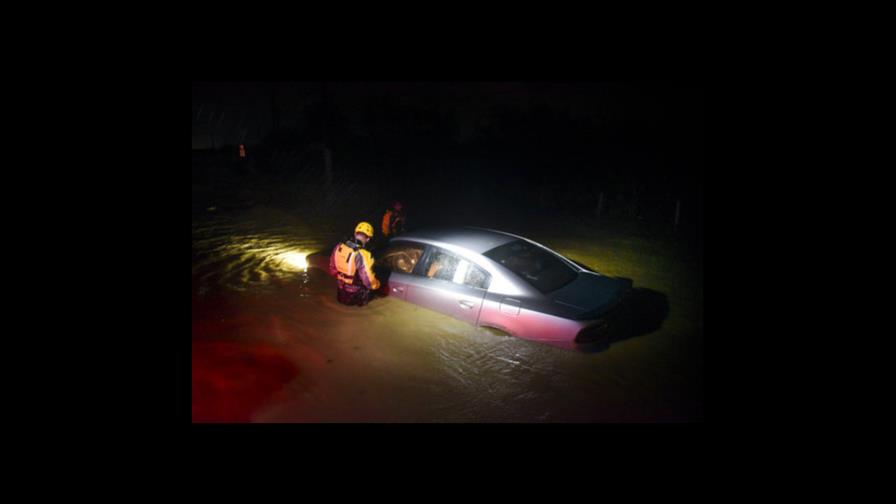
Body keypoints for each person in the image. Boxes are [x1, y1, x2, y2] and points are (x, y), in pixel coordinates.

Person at [328, 222, 381, 306]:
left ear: (355, 233)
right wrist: (377, 285)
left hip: (341, 291)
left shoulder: (338, 247)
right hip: (356, 295)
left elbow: (332, 269)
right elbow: (368, 281)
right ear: (368, 239)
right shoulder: (363, 254)